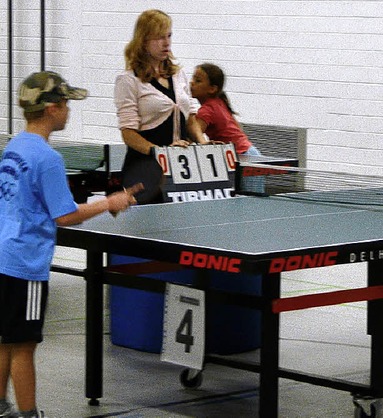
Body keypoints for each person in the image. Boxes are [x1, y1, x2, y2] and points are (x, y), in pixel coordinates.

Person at [0, 71, 139, 418]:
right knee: (24, 345)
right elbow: (64, 216)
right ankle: (29, 414)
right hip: (25, 263)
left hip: (3, 255)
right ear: (51, 108)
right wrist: (110, 202)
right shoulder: (48, 158)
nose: (68, 109)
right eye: (65, 103)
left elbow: (43, 206)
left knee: (5, 339)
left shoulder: (14, 146)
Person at [114, 9, 204, 203]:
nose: (166, 43)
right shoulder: (128, 80)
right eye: (158, 38)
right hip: (144, 170)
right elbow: (128, 133)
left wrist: (203, 143)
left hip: (180, 169)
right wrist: (160, 152)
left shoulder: (178, 75)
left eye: (169, 36)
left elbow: (191, 120)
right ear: (143, 40)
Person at [189, 63, 265, 194]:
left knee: (252, 203)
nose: (191, 83)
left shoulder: (206, 110)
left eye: (198, 81)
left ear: (212, 89)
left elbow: (194, 134)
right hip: (248, 155)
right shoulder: (219, 101)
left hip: (245, 158)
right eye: (193, 78)